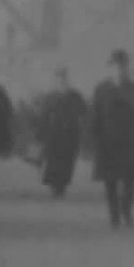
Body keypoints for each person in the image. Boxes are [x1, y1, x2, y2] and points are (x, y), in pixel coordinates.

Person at [91, 49, 134, 228]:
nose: (120, 71)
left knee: (129, 179)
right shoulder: (101, 89)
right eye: (116, 67)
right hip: (108, 142)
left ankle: (126, 211)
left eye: (123, 67)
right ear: (110, 68)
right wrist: (94, 140)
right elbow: (95, 116)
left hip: (128, 141)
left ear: (127, 68)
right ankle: (114, 214)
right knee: (110, 181)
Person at [40, 68, 88, 197]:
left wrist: (81, 130)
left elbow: (84, 113)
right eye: (59, 79)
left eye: (63, 79)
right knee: (53, 161)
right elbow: (44, 115)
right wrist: (43, 133)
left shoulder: (75, 96)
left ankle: (62, 186)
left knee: (67, 161)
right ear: (55, 81)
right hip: (54, 134)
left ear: (67, 80)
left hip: (71, 133)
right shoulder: (50, 97)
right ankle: (55, 187)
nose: (61, 81)